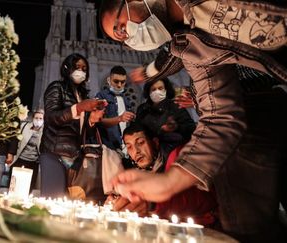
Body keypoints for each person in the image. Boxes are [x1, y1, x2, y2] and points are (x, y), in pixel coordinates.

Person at [99, 0, 287, 242]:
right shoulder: (188, 44)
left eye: (121, 28)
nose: (128, 40)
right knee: (244, 223)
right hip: (261, 103)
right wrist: (167, 183)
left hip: (265, 98)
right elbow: (220, 115)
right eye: (121, 39)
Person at [109, 123, 218, 227]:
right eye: (129, 147)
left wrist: (152, 202)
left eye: (141, 142)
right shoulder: (135, 172)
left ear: (155, 142)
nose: (136, 151)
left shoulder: (178, 157)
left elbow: (204, 198)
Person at [40, 53, 108, 197]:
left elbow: (84, 132)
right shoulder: (56, 87)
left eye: (84, 68)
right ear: (67, 68)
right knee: (53, 199)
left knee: (70, 203)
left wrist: (92, 120)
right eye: (77, 67)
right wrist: (78, 108)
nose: (81, 71)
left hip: (75, 157)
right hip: (54, 152)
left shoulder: (82, 95)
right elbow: (51, 117)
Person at [135, 78, 196, 151]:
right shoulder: (142, 109)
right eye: (153, 89)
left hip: (172, 151)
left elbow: (191, 128)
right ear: (148, 92)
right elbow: (137, 131)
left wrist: (177, 127)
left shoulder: (176, 106)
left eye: (160, 88)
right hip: (150, 150)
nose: (157, 91)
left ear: (166, 90)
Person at [95, 66, 135, 153]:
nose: (119, 85)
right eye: (116, 81)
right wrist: (119, 118)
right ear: (109, 80)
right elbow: (98, 122)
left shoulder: (126, 99)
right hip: (108, 146)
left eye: (123, 82)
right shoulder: (101, 96)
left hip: (126, 147)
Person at [8, 109, 44, 192]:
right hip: (20, 159)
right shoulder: (24, 126)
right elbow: (16, 139)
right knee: (13, 185)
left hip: (33, 163)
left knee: (28, 188)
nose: (38, 120)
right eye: (36, 118)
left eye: (40, 118)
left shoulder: (45, 131)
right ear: (33, 118)